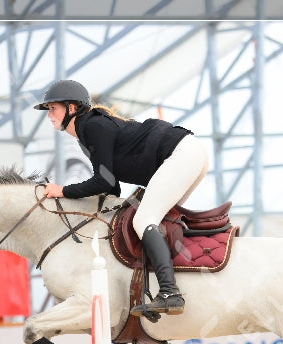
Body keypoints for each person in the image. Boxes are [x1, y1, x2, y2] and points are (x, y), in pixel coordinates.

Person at [35, 79, 208, 317]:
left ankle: (170, 293)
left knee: (144, 219)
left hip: (180, 154)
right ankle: (173, 285)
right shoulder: (89, 129)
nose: (49, 115)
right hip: (188, 152)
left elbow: (104, 182)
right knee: (156, 221)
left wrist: (62, 191)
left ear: (71, 108)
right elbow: (112, 187)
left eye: (53, 108)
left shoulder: (92, 127)